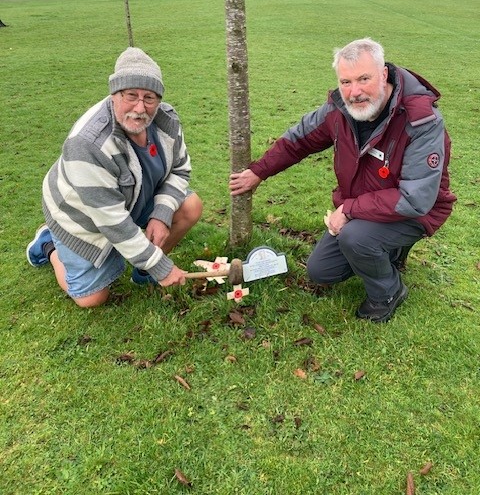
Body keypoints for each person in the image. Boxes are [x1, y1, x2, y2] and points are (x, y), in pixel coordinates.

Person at [230, 38, 456, 323]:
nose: (355, 92)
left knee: (356, 238)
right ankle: (389, 249)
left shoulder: (422, 122)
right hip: (365, 208)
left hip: (415, 211)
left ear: (383, 74)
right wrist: (259, 171)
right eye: (346, 82)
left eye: (364, 79)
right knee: (321, 271)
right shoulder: (339, 110)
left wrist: (349, 211)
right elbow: (299, 139)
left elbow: (415, 198)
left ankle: (388, 292)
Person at [27, 47, 202, 308]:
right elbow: (113, 221)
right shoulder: (87, 144)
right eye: (131, 95)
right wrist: (162, 267)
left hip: (132, 199)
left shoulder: (166, 121)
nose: (140, 108)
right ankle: (48, 245)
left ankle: (143, 272)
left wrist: (161, 214)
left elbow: (180, 169)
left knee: (190, 206)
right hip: (82, 214)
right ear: (114, 94)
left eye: (150, 97)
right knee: (91, 299)